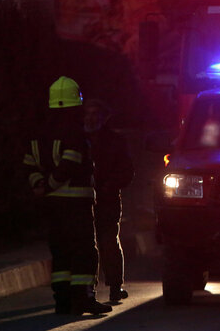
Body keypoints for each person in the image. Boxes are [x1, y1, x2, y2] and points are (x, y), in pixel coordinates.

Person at [22, 77, 112, 315]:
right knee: (84, 251)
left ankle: (62, 300)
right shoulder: (75, 131)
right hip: (76, 205)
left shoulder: (39, 132)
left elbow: (28, 162)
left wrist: (41, 186)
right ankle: (83, 298)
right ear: (75, 103)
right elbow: (71, 163)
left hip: (52, 206)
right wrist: (51, 185)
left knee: (60, 251)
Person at [84, 98, 135, 302]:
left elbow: (127, 171)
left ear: (104, 118)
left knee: (108, 242)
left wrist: (107, 186)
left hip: (107, 200)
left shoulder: (115, 141)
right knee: (87, 244)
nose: (91, 118)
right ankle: (87, 289)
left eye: (96, 114)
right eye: (88, 114)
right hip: (81, 200)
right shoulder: (76, 140)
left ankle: (115, 286)